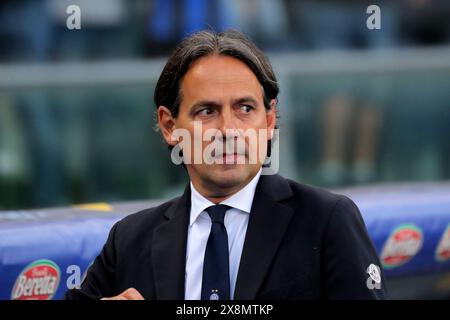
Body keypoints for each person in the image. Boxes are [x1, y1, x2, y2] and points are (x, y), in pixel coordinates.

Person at [65, 30, 387, 300]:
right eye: (207, 111)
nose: (228, 131)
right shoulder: (130, 240)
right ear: (169, 127)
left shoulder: (326, 221)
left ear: (269, 119)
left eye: (245, 108)